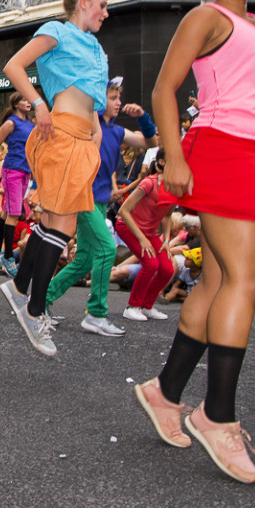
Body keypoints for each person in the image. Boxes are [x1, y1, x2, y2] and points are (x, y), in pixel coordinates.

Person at [135, 0, 255, 484]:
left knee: (215, 282)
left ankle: (165, 392)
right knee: (246, 278)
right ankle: (218, 415)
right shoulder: (206, 17)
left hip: (251, 151)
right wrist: (176, 159)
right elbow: (165, 88)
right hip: (224, 148)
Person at [0, 0, 110, 357]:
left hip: (81, 141)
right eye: (102, 5)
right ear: (82, 3)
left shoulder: (95, 47)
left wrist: (95, 133)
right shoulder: (57, 31)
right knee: (60, 226)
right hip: (59, 133)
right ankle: (32, 310)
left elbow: (92, 99)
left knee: (53, 225)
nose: (105, 13)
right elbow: (14, 66)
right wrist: (38, 103)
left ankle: (18, 290)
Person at [43, 77, 158, 336]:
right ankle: (96, 314)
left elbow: (150, 143)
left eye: (119, 97)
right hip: (83, 197)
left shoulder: (117, 131)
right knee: (107, 248)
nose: (119, 102)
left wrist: (142, 116)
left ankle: (41, 300)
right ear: (98, 98)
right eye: (113, 97)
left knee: (84, 260)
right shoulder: (86, 125)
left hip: (99, 200)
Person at [115, 151, 175, 321]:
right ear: (162, 162)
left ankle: (146, 306)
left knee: (167, 269)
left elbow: (168, 215)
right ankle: (132, 306)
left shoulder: (175, 188)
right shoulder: (149, 183)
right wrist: (141, 238)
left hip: (150, 233)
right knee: (150, 264)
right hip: (128, 227)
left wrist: (167, 240)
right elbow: (123, 211)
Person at [0, 93, 34, 276]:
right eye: (24, 100)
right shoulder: (11, 123)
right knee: (14, 212)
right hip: (12, 169)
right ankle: (7, 256)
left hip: (25, 171)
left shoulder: (30, 125)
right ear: (15, 104)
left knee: (7, 212)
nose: (28, 102)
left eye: (28, 100)